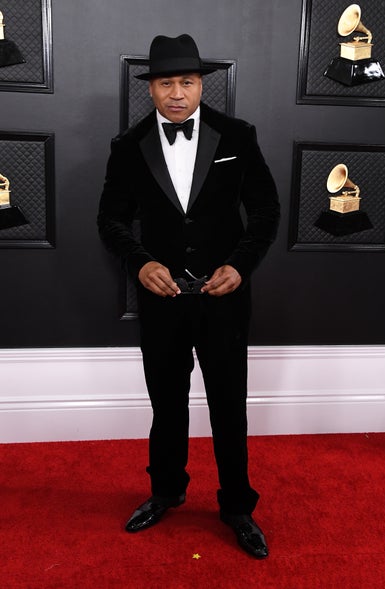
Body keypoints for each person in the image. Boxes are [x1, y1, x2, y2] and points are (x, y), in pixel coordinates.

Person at [98, 34, 280, 559]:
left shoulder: (238, 135)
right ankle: (166, 491)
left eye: (187, 82)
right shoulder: (127, 146)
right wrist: (141, 262)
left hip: (225, 297)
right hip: (162, 299)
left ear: (201, 85)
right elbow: (110, 219)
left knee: (229, 405)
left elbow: (265, 211)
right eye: (166, 83)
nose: (177, 93)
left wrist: (240, 265)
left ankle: (237, 507)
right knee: (167, 403)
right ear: (150, 88)